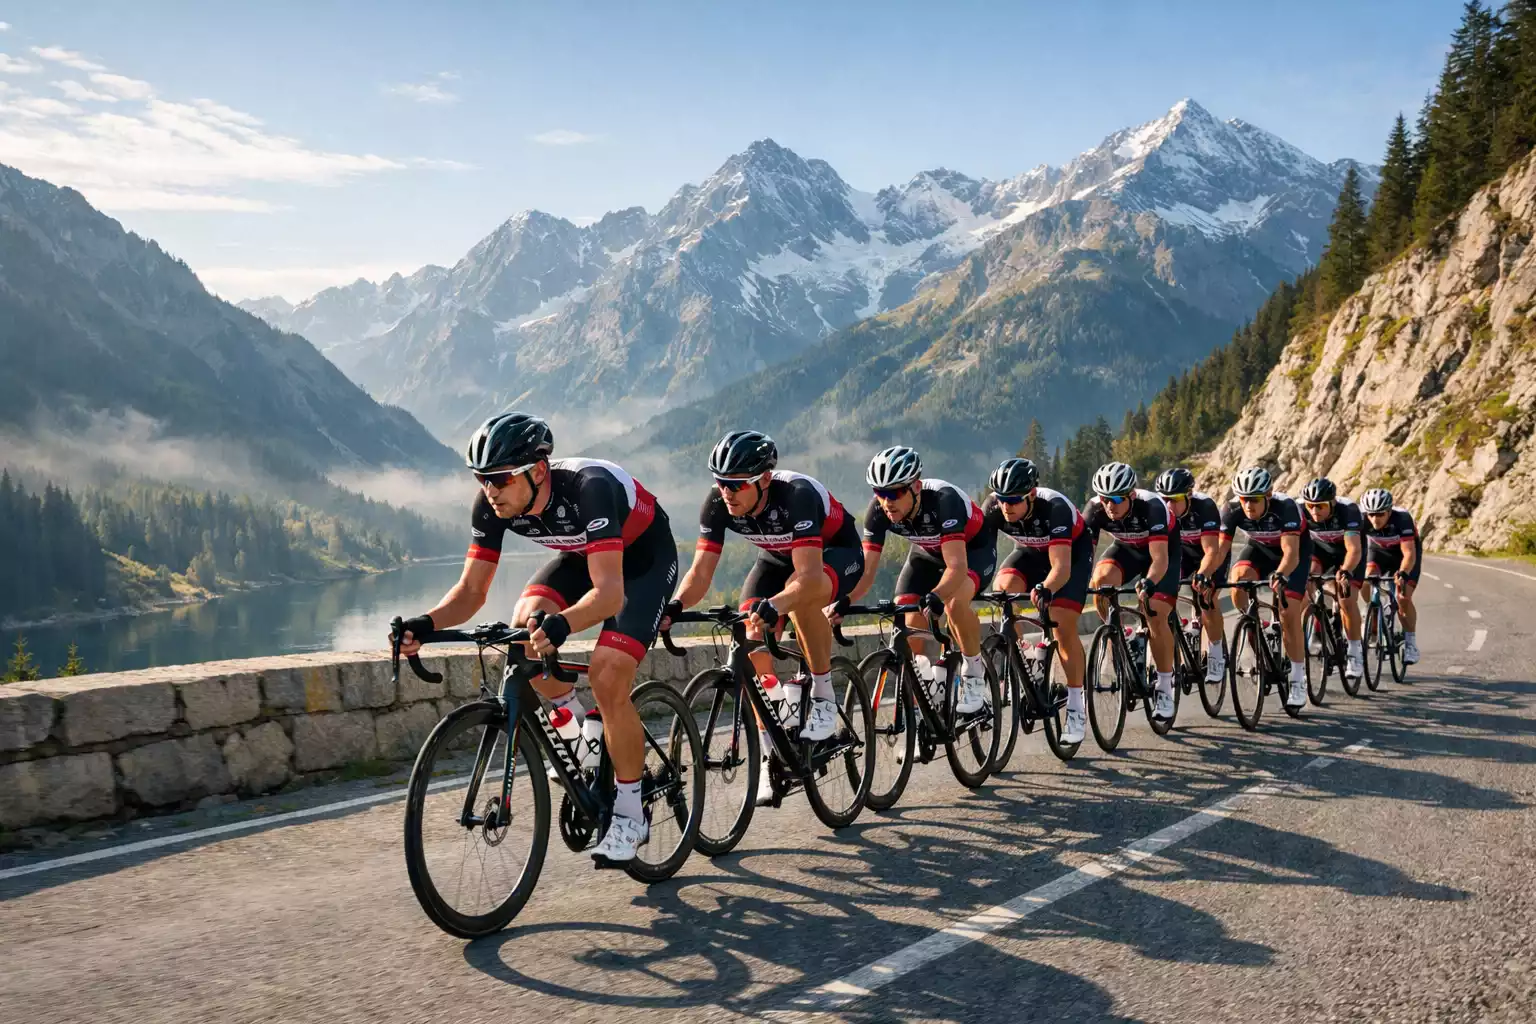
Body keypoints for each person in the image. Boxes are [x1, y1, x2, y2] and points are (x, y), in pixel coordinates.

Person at [394, 412, 677, 864]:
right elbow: (471, 591)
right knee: (524, 627)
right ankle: (580, 732)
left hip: (642, 560)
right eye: (482, 478)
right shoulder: (492, 505)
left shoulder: (590, 488)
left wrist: (563, 623)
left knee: (607, 676)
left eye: (500, 478)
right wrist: (427, 624)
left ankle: (630, 812)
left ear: (538, 471)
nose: (490, 489)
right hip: (583, 555)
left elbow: (609, 595)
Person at [669, 430, 863, 754]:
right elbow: (700, 573)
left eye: (737, 485)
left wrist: (776, 604)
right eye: (720, 482)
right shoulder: (718, 503)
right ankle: (772, 747)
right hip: (776, 559)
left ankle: (824, 697)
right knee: (751, 636)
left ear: (765, 479)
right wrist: (675, 605)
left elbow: (808, 577)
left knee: (801, 600)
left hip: (835, 554)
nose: (726, 492)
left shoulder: (796, 495)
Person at [847, 446, 997, 714]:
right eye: (879, 492)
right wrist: (842, 602)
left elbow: (956, 566)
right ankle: (923, 697)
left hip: (972, 552)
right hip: (926, 554)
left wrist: (937, 595)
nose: (886, 501)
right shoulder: (878, 511)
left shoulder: (944, 500)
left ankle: (974, 674)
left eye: (895, 493)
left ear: (916, 487)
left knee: (954, 604)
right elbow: (866, 573)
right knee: (907, 618)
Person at [982, 457, 1092, 744]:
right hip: (1030, 553)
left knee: (1061, 623)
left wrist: (1047, 587)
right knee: (1003, 591)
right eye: (1001, 499)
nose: (1005, 506)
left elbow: (1061, 568)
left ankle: (1076, 706)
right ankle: (1028, 659)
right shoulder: (994, 507)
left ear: (1031, 494)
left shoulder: (1054, 507)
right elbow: (980, 553)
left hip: (1070, 557)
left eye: (1013, 500)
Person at [1084, 462, 1181, 721]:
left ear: (1131, 495)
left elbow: (1159, 559)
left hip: (1161, 552)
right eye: (1105, 499)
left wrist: (1149, 582)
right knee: (1101, 581)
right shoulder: (1095, 509)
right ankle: (1116, 634)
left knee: (1155, 613)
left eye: (1116, 499)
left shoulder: (1152, 506)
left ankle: (1165, 686)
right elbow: (1083, 556)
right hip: (1126, 549)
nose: (1110, 505)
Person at [1211, 465, 1311, 708]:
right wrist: (1207, 576)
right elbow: (1220, 551)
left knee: (1288, 613)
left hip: (1292, 554)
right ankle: (1252, 627)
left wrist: (1281, 574)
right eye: (1243, 499)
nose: (1248, 505)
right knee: (1238, 579)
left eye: (1254, 499)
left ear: (1268, 495)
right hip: (1259, 549)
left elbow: (1290, 554)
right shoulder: (1231, 509)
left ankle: (1298, 678)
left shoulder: (1286, 508)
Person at [1153, 468, 1229, 685]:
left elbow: (1212, 551)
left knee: (1207, 597)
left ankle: (1216, 654)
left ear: (1188, 495)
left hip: (1207, 555)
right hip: (1181, 556)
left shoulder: (1204, 507)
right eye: (1164, 499)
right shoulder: (1158, 511)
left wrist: (1203, 574)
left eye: (1175, 499)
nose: (1169, 505)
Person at [1299, 477, 1366, 681]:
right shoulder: (1299, 510)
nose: (1314, 510)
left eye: (1320, 506)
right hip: (1320, 552)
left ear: (1332, 503)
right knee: (1308, 578)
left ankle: (1355, 652)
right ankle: (1318, 621)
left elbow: (1354, 550)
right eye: (1310, 505)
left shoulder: (1348, 510)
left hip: (1348, 553)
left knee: (1346, 598)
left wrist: (1345, 571)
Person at [1360, 487, 1421, 665]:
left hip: (1403, 556)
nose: (1375, 519)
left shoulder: (1402, 519)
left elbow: (1409, 553)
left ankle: (1410, 643)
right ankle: (1373, 608)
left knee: (1402, 597)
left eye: (1380, 514)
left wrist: (1403, 573)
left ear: (1389, 511)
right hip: (1377, 552)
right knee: (1365, 581)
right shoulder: (1361, 519)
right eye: (1371, 515)